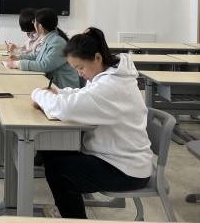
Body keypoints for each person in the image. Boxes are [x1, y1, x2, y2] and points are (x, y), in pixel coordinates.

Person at [31, 27, 152, 218]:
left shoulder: (112, 85)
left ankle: (76, 219)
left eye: (80, 67)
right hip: (113, 156)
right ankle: (68, 212)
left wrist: (38, 94)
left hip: (126, 168)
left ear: (97, 57)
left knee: (59, 172)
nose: (79, 73)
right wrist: (59, 92)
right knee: (52, 149)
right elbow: (84, 95)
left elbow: (66, 109)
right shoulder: (108, 74)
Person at [5, 8, 79, 89]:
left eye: (34, 21)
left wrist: (17, 64)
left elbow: (45, 65)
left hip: (63, 88)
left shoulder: (57, 42)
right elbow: (37, 56)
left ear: (40, 27)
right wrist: (19, 57)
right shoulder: (50, 38)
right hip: (51, 83)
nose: (33, 24)